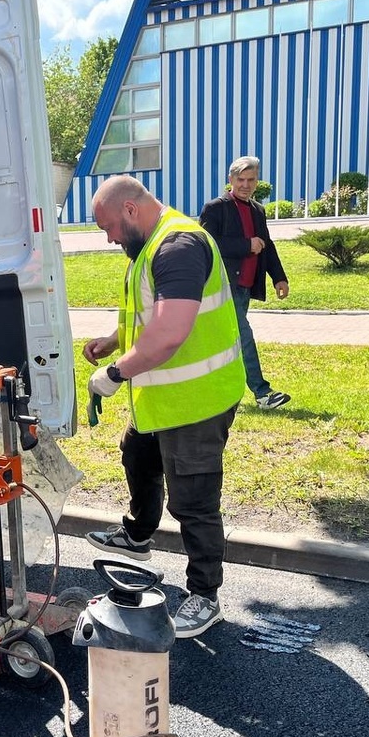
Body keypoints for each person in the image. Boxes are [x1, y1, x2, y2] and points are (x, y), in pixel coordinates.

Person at [83, 175, 246, 638]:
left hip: (197, 401)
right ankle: (137, 537)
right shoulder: (152, 243)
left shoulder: (177, 247)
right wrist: (114, 340)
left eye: (110, 228)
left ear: (130, 210)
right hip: (162, 398)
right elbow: (152, 314)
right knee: (137, 455)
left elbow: (170, 332)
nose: (110, 238)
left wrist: (115, 373)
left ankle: (205, 596)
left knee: (193, 501)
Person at [199, 156, 291, 410]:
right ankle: (263, 393)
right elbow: (206, 245)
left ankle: (215, 390)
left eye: (251, 180)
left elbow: (267, 246)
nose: (245, 185)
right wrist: (246, 245)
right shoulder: (215, 208)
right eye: (241, 179)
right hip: (222, 286)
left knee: (228, 341)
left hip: (245, 286)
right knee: (243, 335)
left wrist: (279, 277)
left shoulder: (258, 210)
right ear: (230, 180)